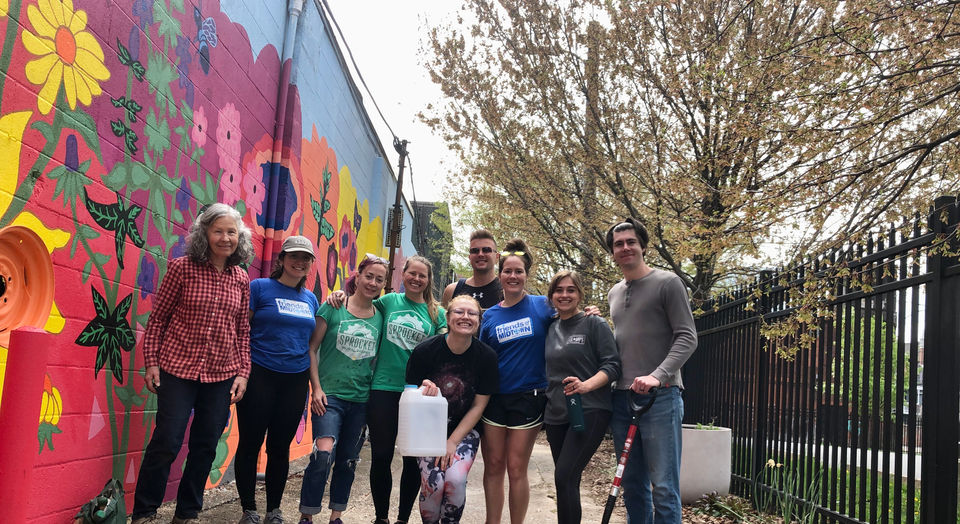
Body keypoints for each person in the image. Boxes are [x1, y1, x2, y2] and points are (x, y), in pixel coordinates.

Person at [131, 203, 254, 524]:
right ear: (205, 234)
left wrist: (243, 373)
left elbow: (242, 330)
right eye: (218, 231)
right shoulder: (182, 268)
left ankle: (187, 513)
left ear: (239, 237)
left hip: (221, 374)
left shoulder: (241, 278)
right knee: (167, 441)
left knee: (205, 445)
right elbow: (158, 319)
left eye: (231, 232)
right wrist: (152, 363)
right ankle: (144, 512)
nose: (225, 238)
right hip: (177, 369)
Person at [326, 255, 447, 524]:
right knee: (381, 455)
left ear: (429, 280)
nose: (416, 279)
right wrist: (339, 294)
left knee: (412, 458)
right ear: (403, 275)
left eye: (422, 275)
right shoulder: (389, 301)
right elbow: (360, 302)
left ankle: (402, 519)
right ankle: (381, 517)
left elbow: (445, 347)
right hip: (382, 388)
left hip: (416, 394)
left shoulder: (436, 313)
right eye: (412, 273)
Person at [605, 218, 697, 524]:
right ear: (612, 252)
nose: (625, 248)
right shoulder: (614, 292)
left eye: (631, 242)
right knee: (632, 485)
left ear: (643, 246)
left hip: (661, 398)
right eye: (618, 244)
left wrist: (657, 375)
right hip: (623, 399)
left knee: (664, 488)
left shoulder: (668, 283)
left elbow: (687, 337)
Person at [235, 235, 321, 524]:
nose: (300, 262)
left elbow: (311, 343)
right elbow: (241, 330)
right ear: (282, 259)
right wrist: (240, 371)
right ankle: (249, 509)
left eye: (305, 258)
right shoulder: (259, 288)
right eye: (294, 256)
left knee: (279, 448)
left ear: (310, 264)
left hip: (295, 380)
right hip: (260, 374)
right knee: (250, 443)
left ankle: (273, 510)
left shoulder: (310, 299)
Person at [298, 254, 389, 524]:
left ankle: (336, 516)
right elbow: (311, 348)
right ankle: (307, 515)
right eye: (369, 276)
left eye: (379, 280)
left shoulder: (381, 316)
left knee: (348, 460)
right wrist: (316, 388)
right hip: (329, 397)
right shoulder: (333, 307)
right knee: (323, 454)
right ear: (357, 276)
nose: (372, 283)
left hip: (361, 400)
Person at [476, 238, 552, 524]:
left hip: (529, 397)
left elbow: (571, 319)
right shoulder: (490, 316)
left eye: (518, 271)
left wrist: (590, 314)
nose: (513, 276)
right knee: (494, 465)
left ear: (526, 275)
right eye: (507, 271)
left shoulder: (543, 306)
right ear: (500, 276)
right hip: (494, 399)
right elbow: (482, 359)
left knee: (516, 467)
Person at [405, 295, 499, 524]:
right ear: (447, 318)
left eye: (472, 313)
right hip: (427, 430)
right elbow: (409, 395)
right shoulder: (425, 351)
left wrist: (452, 442)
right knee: (434, 484)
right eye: (459, 312)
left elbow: (479, 405)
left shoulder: (487, 357)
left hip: (465, 431)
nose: (465, 317)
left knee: (455, 481)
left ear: (479, 321)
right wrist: (422, 391)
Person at [543, 270, 621, 524]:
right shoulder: (550, 326)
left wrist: (586, 385)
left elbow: (613, 366)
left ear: (580, 294)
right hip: (556, 413)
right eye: (559, 290)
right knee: (567, 480)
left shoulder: (594, 324)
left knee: (564, 476)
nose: (564, 295)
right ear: (551, 295)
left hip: (589, 409)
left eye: (571, 290)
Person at [442, 229, 502, 310]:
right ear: (469, 257)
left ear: (497, 257)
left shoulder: (506, 290)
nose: (480, 254)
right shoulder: (452, 291)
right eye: (475, 251)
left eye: (486, 250)